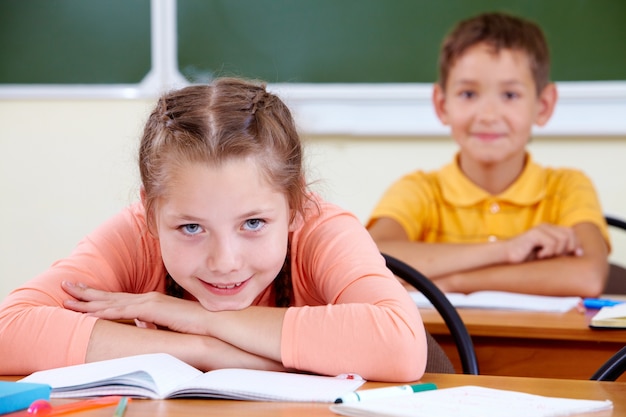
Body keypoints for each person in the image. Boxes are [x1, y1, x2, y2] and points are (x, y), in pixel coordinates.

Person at [0, 78, 426, 380]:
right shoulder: (135, 235)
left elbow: (401, 344)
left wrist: (190, 315)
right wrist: (204, 349)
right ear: (151, 213)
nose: (225, 262)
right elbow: (9, 331)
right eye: (190, 227)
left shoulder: (323, 231)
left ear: (295, 205)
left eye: (253, 223)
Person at [367, 12, 610, 298]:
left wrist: (456, 281)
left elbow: (588, 276)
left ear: (543, 106)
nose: (488, 115)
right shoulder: (419, 190)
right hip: (439, 344)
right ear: (442, 104)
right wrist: (508, 249)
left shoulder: (567, 187)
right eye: (468, 94)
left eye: (510, 95)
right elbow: (373, 258)